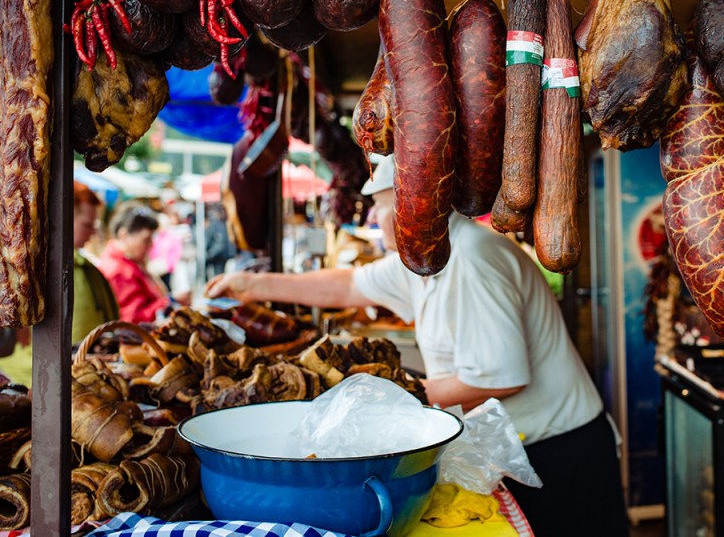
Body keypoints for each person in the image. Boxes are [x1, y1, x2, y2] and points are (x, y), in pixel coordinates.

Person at [207, 157, 629, 537]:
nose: (373, 215)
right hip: (517, 450)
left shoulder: (472, 258)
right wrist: (254, 285)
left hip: (559, 456)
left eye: (380, 203)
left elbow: (499, 380)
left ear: (415, 201)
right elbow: (351, 285)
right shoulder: (427, 255)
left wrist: (388, 399)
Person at [0, 183, 120, 385]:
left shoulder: (86, 267)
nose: (92, 233)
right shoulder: (36, 266)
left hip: (81, 374)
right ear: (65, 219)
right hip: (38, 381)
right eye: (87, 224)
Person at [98, 204, 170, 324]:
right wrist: (166, 303)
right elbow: (132, 320)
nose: (151, 246)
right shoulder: (118, 270)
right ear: (124, 235)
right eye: (146, 239)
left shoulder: (130, 262)